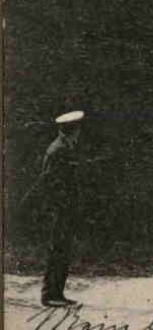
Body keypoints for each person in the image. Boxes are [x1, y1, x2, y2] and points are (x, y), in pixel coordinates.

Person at [40, 110, 85, 308]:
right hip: (59, 210)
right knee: (57, 249)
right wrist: (60, 205)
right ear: (72, 130)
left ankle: (57, 293)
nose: (79, 133)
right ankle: (50, 295)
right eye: (77, 129)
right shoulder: (57, 150)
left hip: (66, 209)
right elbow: (49, 182)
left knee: (63, 250)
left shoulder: (66, 147)